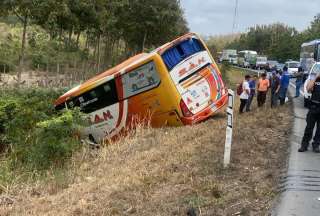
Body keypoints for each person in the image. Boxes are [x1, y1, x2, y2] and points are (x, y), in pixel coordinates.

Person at [299, 73, 320, 153]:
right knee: (309, 128)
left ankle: (316, 145)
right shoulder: (314, 78)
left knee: (319, 130)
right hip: (313, 106)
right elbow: (308, 88)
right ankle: (304, 145)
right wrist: (315, 78)